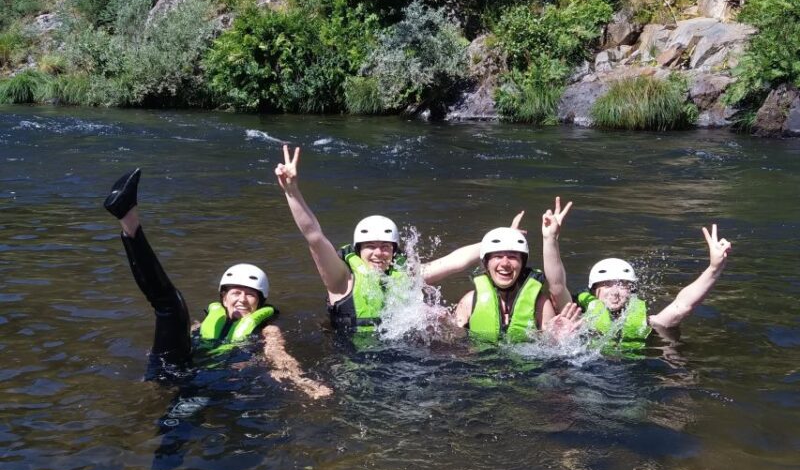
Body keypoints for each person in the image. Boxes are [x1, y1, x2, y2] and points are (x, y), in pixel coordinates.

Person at [103, 167, 331, 398]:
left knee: (177, 426)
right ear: (223, 297)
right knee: (170, 307)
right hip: (177, 369)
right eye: (235, 293)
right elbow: (171, 340)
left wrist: (301, 381)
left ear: (261, 302)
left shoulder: (268, 330)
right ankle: (128, 221)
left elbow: (279, 356)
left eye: (250, 294)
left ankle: (129, 221)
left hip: (210, 382)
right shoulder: (200, 324)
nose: (242, 299)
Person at [274, 146, 522, 333]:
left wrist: (499, 241)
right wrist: (292, 192)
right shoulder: (341, 279)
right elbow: (314, 237)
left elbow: (454, 262)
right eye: (370, 247)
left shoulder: (405, 276)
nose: (378, 253)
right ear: (358, 250)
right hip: (351, 358)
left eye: (385, 247)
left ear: (394, 251)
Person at [541, 196, 733, 345]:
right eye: (606, 285)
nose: (615, 292)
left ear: (632, 291)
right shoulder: (576, 318)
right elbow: (557, 285)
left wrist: (714, 268)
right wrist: (550, 240)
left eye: (623, 286)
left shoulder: (651, 323)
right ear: (593, 291)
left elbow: (683, 305)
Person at [453, 226, 582, 343]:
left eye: (512, 257)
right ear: (486, 263)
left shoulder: (540, 303)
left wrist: (557, 340)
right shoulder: (469, 301)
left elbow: (550, 355)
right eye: (498, 256)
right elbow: (454, 343)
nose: (505, 263)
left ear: (522, 263)